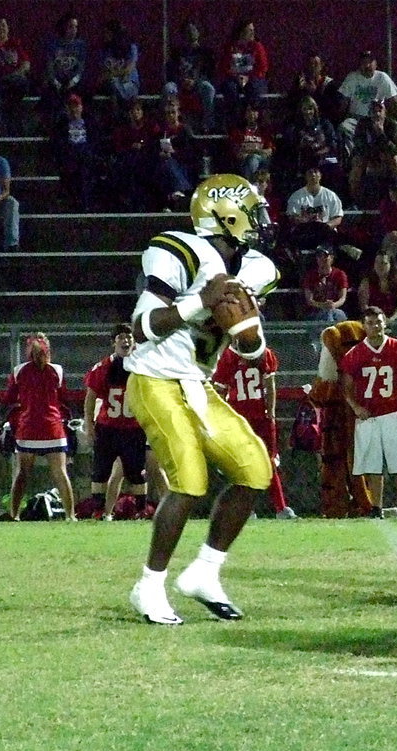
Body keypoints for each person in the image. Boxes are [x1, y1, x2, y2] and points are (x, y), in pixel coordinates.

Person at [125, 173, 279, 625]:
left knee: (255, 469)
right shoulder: (181, 251)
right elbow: (141, 328)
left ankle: (204, 573)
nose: (260, 221)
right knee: (189, 481)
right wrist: (200, 302)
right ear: (226, 217)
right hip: (154, 378)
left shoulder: (258, 268)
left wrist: (247, 333)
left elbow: (252, 351)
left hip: (198, 382)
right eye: (252, 213)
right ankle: (149, 586)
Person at [339, 306, 397, 518]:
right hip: (369, 416)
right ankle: (376, 507)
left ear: (385, 323)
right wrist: (356, 407)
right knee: (373, 465)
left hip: (393, 412)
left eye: (379, 322)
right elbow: (346, 386)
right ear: (363, 326)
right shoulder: (355, 354)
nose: (375, 326)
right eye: (371, 323)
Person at [213, 344, 296, 519]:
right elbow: (221, 391)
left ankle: (279, 507)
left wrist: (270, 413)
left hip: (253, 417)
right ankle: (258, 508)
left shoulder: (256, 354)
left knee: (267, 462)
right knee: (246, 464)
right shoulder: (231, 356)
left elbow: (269, 385)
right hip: (244, 418)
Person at [82, 324, 152, 521]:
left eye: (129, 337)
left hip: (134, 427)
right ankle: (98, 511)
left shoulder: (143, 366)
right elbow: (90, 397)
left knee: (137, 473)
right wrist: (89, 424)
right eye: (121, 337)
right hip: (108, 427)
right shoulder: (103, 367)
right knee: (100, 471)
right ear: (113, 342)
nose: (126, 340)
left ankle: (141, 511)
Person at [3, 333, 76, 523]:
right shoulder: (57, 370)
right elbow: (64, 397)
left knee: (22, 474)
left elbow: (9, 398)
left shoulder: (19, 371)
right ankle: (70, 515)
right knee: (60, 473)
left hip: (28, 428)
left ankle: (14, 514)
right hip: (52, 427)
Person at [310, 320, 372, 518]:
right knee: (364, 458)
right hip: (366, 405)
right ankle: (367, 501)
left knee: (334, 460)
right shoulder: (368, 344)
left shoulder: (333, 338)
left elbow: (325, 380)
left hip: (336, 410)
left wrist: (314, 396)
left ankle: (338, 504)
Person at [284, 166, 351, 258]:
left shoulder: (331, 195)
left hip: (325, 232)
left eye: (316, 172)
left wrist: (325, 226)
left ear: (320, 175)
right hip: (306, 232)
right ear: (306, 176)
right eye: (310, 172)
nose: (313, 174)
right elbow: (292, 217)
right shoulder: (296, 196)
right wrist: (307, 220)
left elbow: (338, 217)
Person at [337, 50, 397, 140]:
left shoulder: (382, 77)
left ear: (376, 64)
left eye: (370, 62)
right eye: (364, 62)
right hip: (357, 119)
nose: (367, 65)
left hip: (377, 118)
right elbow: (344, 103)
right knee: (344, 127)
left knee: (394, 128)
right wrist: (339, 120)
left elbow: (394, 102)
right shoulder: (352, 77)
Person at [348, 98, 397, 207]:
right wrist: (371, 156)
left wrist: (381, 134)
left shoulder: (393, 125)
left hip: (386, 156)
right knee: (357, 162)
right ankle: (354, 199)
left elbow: (394, 149)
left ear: (385, 112)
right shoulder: (362, 124)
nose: (377, 114)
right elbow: (359, 145)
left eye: (380, 110)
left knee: (396, 161)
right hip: (368, 155)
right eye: (374, 111)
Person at [164, 20, 217, 134]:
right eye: (188, 31)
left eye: (194, 29)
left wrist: (195, 81)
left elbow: (210, 73)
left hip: (199, 84)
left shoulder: (206, 52)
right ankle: (169, 124)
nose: (191, 32)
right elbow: (171, 72)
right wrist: (181, 81)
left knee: (209, 88)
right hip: (180, 84)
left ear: (198, 32)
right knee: (169, 87)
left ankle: (208, 126)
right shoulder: (176, 53)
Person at [51, 93, 100, 212]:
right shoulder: (61, 125)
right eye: (71, 107)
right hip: (69, 156)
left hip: (85, 155)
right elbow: (57, 143)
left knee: (85, 167)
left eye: (76, 106)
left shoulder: (90, 123)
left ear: (81, 107)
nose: (74, 110)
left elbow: (95, 142)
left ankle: (85, 204)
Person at [278, 97, 342, 187]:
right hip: (304, 158)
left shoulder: (325, 124)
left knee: (333, 166)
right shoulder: (295, 127)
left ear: (315, 109)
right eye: (305, 109)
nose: (308, 112)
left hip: (325, 157)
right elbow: (291, 145)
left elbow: (332, 143)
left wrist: (320, 152)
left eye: (310, 108)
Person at [40, 12, 88, 129]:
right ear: (64, 27)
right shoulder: (53, 45)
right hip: (56, 83)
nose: (74, 30)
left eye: (76, 27)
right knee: (50, 94)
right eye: (70, 27)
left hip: (74, 82)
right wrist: (56, 83)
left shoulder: (80, 45)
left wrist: (73, 82)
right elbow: (49, 67)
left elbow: (81, 68)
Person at [219, 20, 269, 125]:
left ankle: (253, 120)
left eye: (253, 30)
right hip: (234, 78)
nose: (253, 33)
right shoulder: (230, 47)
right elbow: (224, 67)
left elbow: (262, 68)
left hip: (253, 78)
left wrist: (248, 77)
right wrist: (236, 77)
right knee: (230, 88)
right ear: (241, 32)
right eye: (250, 30)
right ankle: (235, 122)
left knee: (254, 88)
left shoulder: (257, 46)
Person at [285, 52, 341, 126]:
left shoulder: (330, 84)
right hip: (302, 121)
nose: (312, 67)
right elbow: (290, 104)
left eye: (316, 64)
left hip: (323, 122)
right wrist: (299, 90)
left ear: (321, 66)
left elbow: (333, 110)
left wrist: (315, 92)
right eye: (310, 64)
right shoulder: (300, 82)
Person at [96, 20, 139, 113]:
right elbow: (104, 73)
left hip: (129, 83)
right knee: (112, 84)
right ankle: (116, 115)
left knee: (119, 87)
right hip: (111, 85)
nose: (104, 35)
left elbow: (128, 69)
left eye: (107, 33)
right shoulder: (103, 51)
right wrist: (114, 75)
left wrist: (113, 74)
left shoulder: (131, 48)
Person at [228, 102, 273, 182]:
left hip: (262, 161)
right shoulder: (238, 131)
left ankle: (251, 184)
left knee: (254, 158)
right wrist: (257, 151)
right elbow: (238, 153)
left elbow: (269, 151)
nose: (252, 114)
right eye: (249, 111)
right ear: (244, 114)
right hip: (243, 162)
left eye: (254, 111)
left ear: (258, 113)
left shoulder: (264, 131)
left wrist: (251, 151)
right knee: (252, 160)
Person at [301, 246, 349, 322]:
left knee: (338, 314)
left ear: (332, 258)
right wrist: (323, 305)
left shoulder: (340, 274)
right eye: (319, 256)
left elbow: (342, 298)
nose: (322, 259)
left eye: (325, 256)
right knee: (327, 315)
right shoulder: (310, 275)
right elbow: (309, 300)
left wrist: (333, 305)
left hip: (335, 310)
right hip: (315, 312)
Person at [358, 251, 397, 321]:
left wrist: (391, 319)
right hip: (373, 317)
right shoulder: (367, 282)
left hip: (393, 318)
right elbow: (363, 305)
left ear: (390, 265)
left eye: (383, 263)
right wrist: (376, 317)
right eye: (377, 263)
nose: (380, 266)